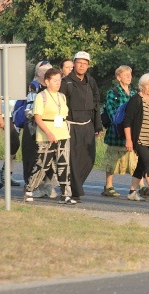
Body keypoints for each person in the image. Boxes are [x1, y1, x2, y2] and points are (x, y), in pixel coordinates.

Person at [24, 68, 76, 204]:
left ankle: (66, 194)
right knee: (43, 164)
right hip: (46, 134)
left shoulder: (62, 96)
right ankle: (30, 189)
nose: (58, 83)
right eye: (55, 80)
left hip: (62, 133)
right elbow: (37, 118)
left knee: (64, 163)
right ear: (47, 81)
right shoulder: (42, 96)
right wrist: (48, 132)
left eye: (59, 80)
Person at [60, 51, 102, 202]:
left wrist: (98, 126)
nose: (82, 66)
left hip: (88, 126)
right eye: (79, 63)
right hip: (70, 126)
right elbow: (59, 106)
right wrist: (58, 128)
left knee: (89, 160)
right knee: (72, 160)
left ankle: (74, 188)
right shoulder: (65, 83)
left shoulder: (91, 82)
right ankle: (72, 192)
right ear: (74, 63)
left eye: (85, 63)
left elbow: (96, 104)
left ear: (88, 66)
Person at [122, 73, 149, 202]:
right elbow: (127, 121)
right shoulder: (136, 99)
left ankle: (131, 192)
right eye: (148, 85)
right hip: (139, 139)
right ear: (142, 86)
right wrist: (129, 140)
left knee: (141, 165)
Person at [20, 61, 58, 198]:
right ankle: (31, 185)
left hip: (49, 127)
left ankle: (46, 184)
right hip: (33, 128)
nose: (49, 73)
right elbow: (30, 110)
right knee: (33, 157)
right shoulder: (33, 86)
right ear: (39, 73)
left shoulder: (53, 89)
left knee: (49, 156)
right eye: (46, 71)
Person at [101, 65, 137, 197]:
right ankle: (108, 186)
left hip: (131, 131)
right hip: (115, 132)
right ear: (118, 77)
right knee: (112, 158)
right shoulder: (113, 93)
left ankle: (142, 185)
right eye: (125, 74)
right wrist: (123, 124)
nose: (129, 77)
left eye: (130, 74)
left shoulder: (134, 94)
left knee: (134, 158)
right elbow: (111, 113)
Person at [0, 98, 21, 186]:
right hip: (4, 114)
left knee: (13, 145)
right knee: (15, 143)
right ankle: (4, 170)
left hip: (16, 112)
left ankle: (9, 175)